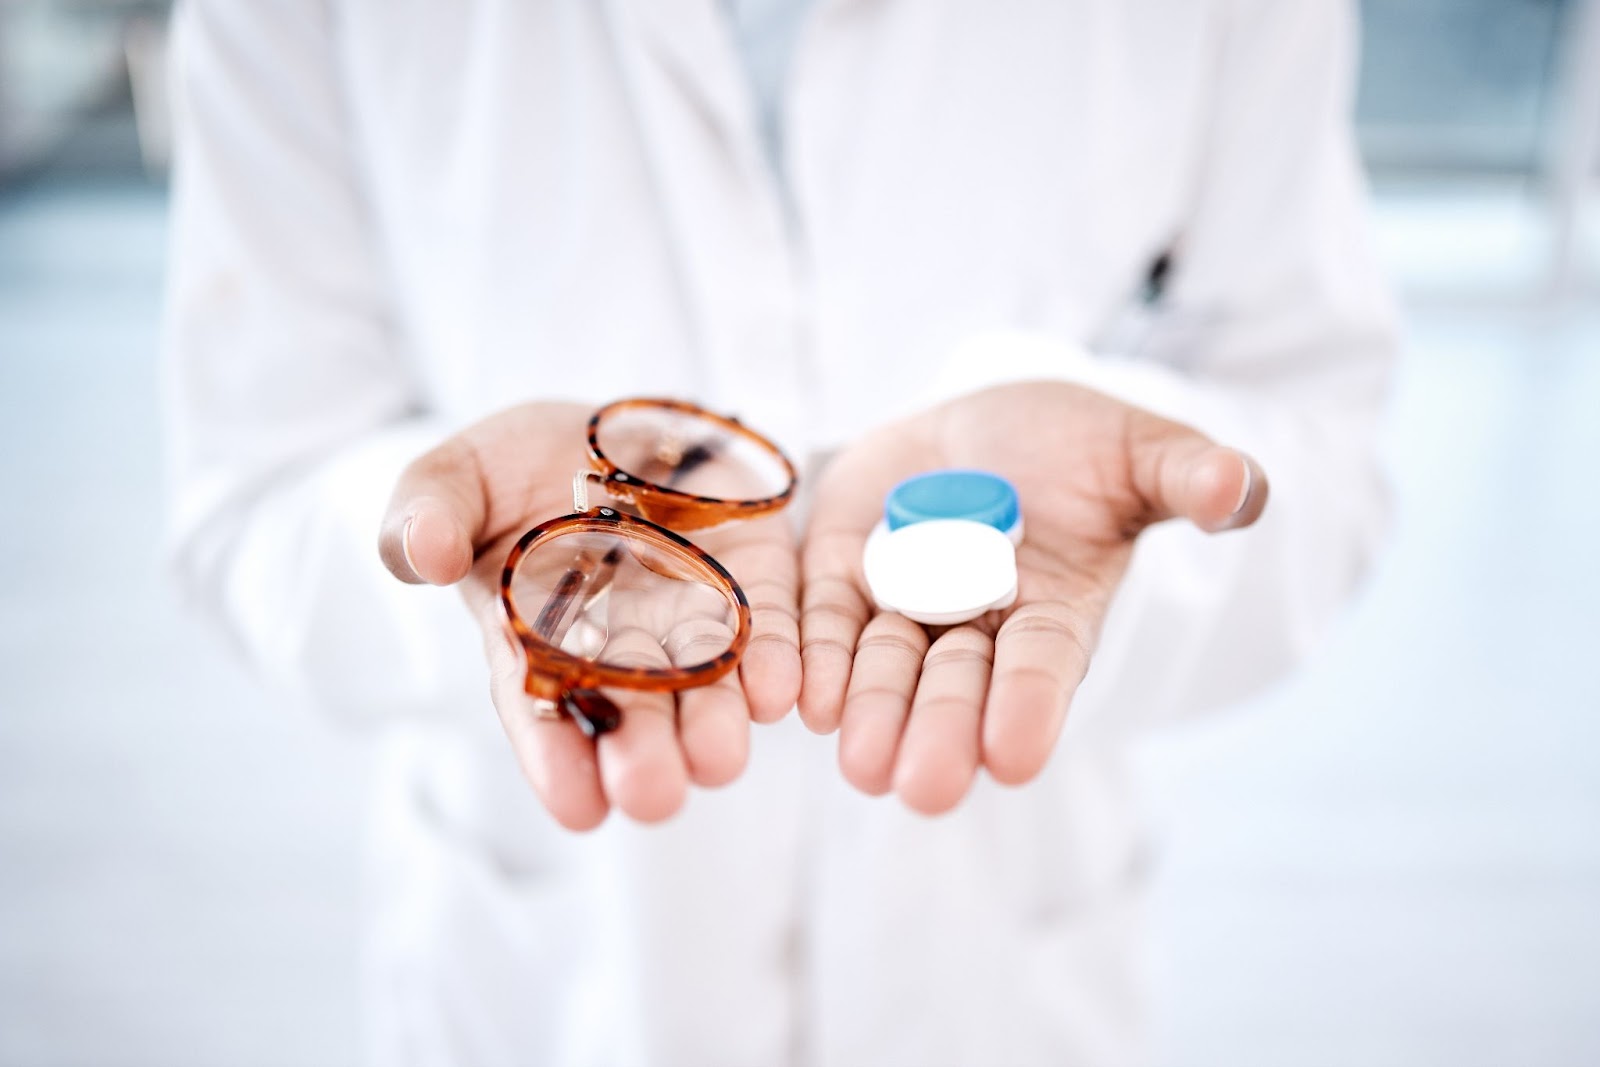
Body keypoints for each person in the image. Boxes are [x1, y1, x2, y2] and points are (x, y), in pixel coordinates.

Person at [163, 1, 1396, 1064]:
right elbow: (253, 495)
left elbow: (1321, 446)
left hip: (1000, 962)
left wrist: (1121, 507)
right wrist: (507, 571)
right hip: (554, 972)